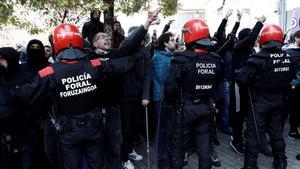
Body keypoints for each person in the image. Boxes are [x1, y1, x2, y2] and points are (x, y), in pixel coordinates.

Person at [0, 8, 160, 169]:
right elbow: (120, 64)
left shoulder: (49, 72)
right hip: (94, 127)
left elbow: (21, 95)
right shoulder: (93, 64)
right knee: (98, 164)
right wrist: (138, 57)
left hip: (69, 132)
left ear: (56, 44)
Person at [165, 19, 224, 169]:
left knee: (178, 149)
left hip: (185, 108)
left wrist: (173, 102)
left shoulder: (181, 60)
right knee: (204, 149)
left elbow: (170, 88)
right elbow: (218, 85)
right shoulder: (216, 60)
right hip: (206, 108)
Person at [237, 24, 295, 169]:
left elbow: (242, 79)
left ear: (264, 39)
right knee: (276, 133)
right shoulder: (287, 57)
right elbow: (291, 77)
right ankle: (281, 162)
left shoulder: (258, 58)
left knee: (254, 134)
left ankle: (250, 165)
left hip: (259, 101)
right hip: (278, 101)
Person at [230, 15, 266, 155]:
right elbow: (251, 38)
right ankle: (236, 139)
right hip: (238, 87)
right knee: (238, 114)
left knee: (246, 113)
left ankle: (245, 137)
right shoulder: (238, 47)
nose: (254, 39)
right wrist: (260, 23)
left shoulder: (251, 51)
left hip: (248, 87)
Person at [120, 26, 152, 169]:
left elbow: (147, 75)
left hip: (138, 96)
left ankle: (130, 149)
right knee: (125, 128)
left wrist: (145, 95)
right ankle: (124, 158)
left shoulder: (145, 52)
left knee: (134, 127)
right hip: (124, 96)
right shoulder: (124, 49)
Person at [152, 32, 176, 169]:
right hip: (161, 97)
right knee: (162, 129)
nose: (174, 42)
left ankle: (168, 156)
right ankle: (162, 160)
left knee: (169, 128)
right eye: (172, 40)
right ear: (165, 43)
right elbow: (163, 78)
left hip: (169, 97)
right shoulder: (158, 57)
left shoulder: (170, 56)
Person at [282, 29, 300, 141]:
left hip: (298, 87)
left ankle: (293, 131)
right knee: (285, 109)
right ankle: (277, 132)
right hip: (289, 86)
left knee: (296, 110)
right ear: (297, 38)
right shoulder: (287, 51)